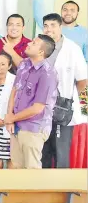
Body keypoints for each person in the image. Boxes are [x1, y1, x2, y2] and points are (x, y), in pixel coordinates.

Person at [40, 13, 87, 169]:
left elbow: (82, 80)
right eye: (46, 25)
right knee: (43, 151)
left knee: (61, 152)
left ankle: (62, 190)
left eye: (53, 25)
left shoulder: (72, 49)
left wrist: (69, 101)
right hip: (41, 108)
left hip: (63, 108)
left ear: (60, 27)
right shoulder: (39, 45)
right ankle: (43, 189)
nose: (49, 29)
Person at [5, 35, 58, 169]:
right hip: (16, 125)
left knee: (32, 171)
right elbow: (14, 90)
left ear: (41, 52)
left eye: (34, 43)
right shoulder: (24, 64)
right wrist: (10, 118)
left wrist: (11, 118)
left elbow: (37, 108)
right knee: (16, 167)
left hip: (33, 128)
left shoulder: (48, 73)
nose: (29, 43)